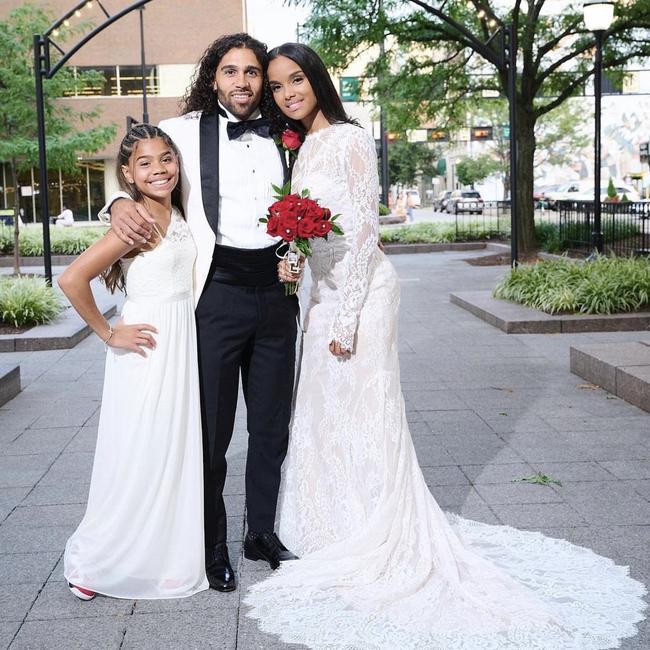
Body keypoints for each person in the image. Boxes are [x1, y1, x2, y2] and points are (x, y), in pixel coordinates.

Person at [244, 43, 647, 649]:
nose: (285, 94)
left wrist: (348, 317)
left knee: (365, 414)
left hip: (359, 297)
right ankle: (333, 527)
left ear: (317, 80)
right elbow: (323, 227)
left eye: (293, 80)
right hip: (322, 296)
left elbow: (364, 232)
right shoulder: (302, 146)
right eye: (276, 87)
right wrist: (296, 257)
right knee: (327, 418)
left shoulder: (350, 139)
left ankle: (375, 528)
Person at [99, 34, 298, 593]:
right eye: (230, 71)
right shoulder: (185, 132)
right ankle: (212, 545)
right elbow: (136, 162)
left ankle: (260, 532)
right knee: (212, 432)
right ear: (214, 77)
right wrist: (115, 204)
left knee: (270, 425)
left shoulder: (287, 133)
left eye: (252, 72)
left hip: (277, 293)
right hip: (216, 294)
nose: (242, 82)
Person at [60, 124, 208, 600]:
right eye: (145, 163)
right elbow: (71, 279)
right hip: (144, 347)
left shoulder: (180, 211)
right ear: (127, 173)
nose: (159, 169)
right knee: (137, 453)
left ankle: (162, 557)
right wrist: (108, 333)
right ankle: (96, 561)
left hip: (180, 344)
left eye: (167, 158)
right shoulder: (135, 224)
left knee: (171, 452)